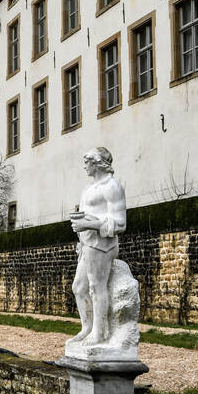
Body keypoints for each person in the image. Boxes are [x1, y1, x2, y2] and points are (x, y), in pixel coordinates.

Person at [70, 147, 127, 349]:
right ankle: (87, 327)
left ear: (97, 163)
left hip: (103, 245)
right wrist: (81, 229)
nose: (84, 166)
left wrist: (88, 225)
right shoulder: (88, 189)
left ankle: (99, 331)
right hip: (87, 243)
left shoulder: (112, 186)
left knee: (96, 287)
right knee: (78, 287)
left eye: (87, 162)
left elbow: (120, 223)